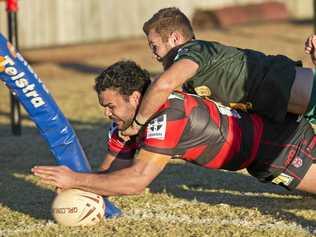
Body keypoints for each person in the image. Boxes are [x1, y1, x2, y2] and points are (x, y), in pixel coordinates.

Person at [32, 60, 316, 196]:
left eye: (110, 106)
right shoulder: (131, 121)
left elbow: (134, 181)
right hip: (266, 151)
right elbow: (111, 175)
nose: (107, 114)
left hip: (281, 150)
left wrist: (75, 179)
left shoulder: (168, 116)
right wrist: (80, 189)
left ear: (134, 98)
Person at [122, 7, 316, 136]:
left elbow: (163, 84)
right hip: (304, 110)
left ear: (174, 38)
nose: (154, 55)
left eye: (154, 46)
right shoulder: (193, 78)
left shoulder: (194, 50)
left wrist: (137, 125)